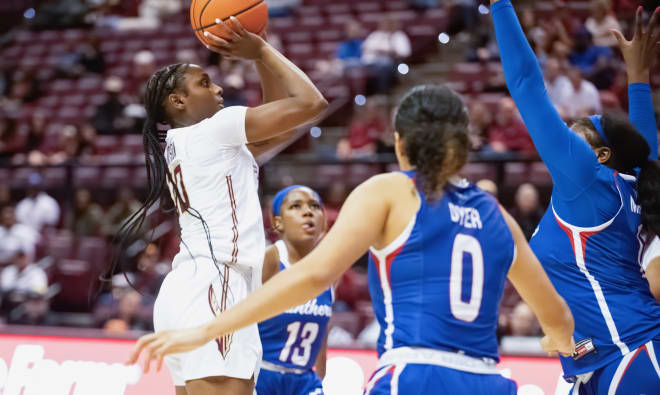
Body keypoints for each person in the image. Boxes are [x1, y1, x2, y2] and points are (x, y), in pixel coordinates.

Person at [129, 85, 575, 395]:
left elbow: (315, 274)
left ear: (400, 144)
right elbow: (557, 317)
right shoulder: (498, 215)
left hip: (413, 374)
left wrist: (207, 329)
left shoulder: (390, 191)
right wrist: (555, 339)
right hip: (489, 379)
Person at [117, 17, 327, 395]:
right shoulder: (215, 131)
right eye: (203, 83)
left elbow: (281, 124)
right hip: (218, 286)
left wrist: (259, 58)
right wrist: (261, 50)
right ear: (177, 100)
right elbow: (310, 103)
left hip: (188, 287)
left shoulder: (184, 143)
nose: (217, 88)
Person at [490, 1, 660, 393]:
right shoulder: (632, 182)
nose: (566, 129)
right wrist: (638, 75)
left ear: (600, 156)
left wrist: (499, 6)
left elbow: (526, 85)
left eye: (580, 128)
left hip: (628, 353)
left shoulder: (587, 179)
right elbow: (646, 150)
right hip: (608, 360)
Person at [256, 185, 332, 395]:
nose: (307, 211)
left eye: (315, 206)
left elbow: (323, 332)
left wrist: (320, 376)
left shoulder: (329, 269)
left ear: (324, 221)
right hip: (263, 375)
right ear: (278, 222)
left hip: (304, 380)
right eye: (296, 206)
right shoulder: (270, 258)